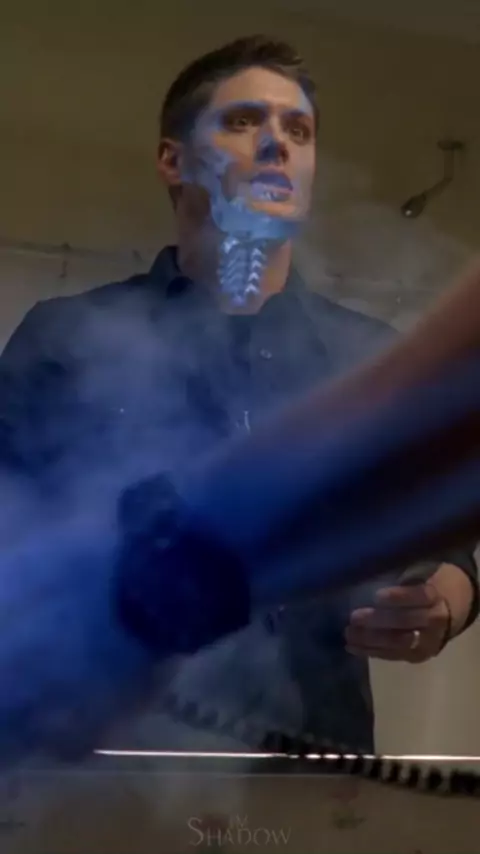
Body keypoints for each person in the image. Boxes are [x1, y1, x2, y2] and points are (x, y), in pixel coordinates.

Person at [0, 34, 477, 759]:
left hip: (321, 765)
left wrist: (444, 601)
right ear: (174, 160)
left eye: (299, 130)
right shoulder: (64, 337)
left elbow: (448, 542)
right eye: (244, 121)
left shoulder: (371, 354)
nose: (277, 144)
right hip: (98, 763)